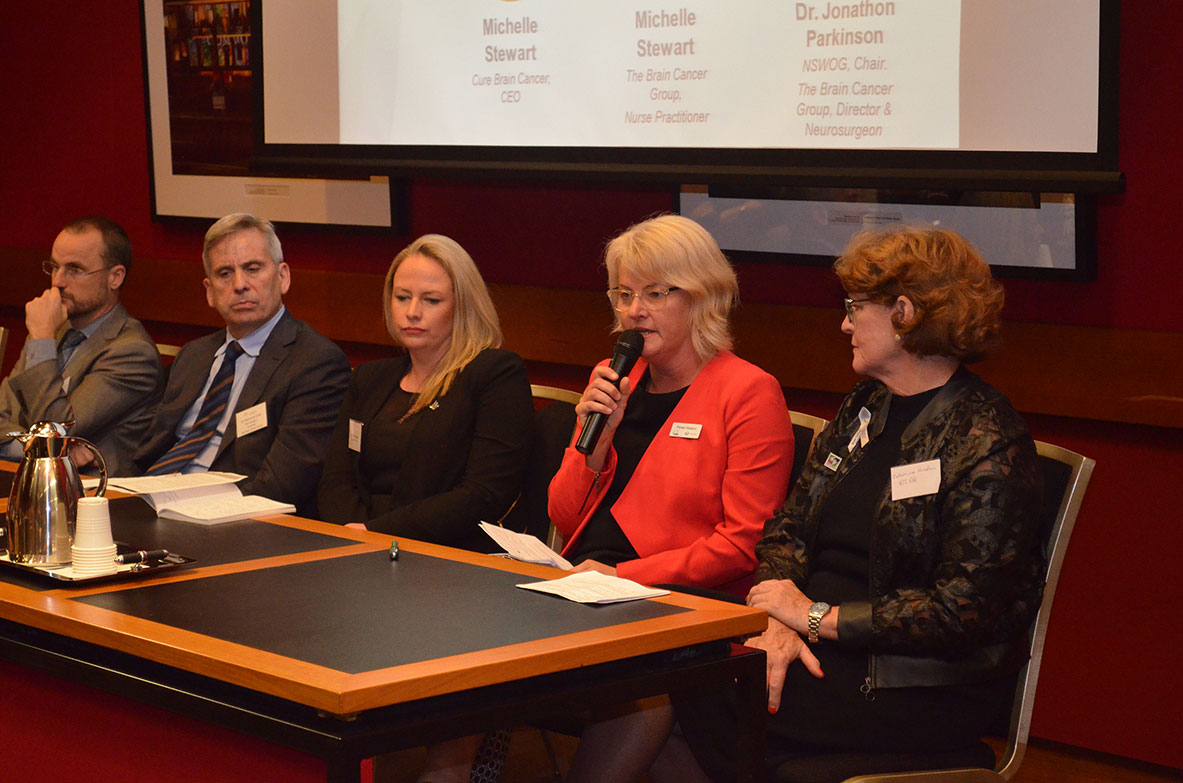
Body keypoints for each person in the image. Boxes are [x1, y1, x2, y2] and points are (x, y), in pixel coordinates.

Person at [656, 227, 1046, 783]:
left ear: (905, 312)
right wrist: (780, 623)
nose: (844, 323)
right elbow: (786, 530)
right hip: (821, 647)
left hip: (914, 681)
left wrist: (819, 620)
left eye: (855, 307)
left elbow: (964, 608)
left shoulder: (987, 438)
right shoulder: (865, 407)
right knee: (665, 624)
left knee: (686, 679)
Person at [318, 234, 532, 783]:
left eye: (431, 300)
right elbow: (337, 476)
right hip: (360, 563)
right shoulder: (371, 379)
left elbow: (482, 496)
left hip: (450, 570)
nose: (412, 311)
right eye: (402, 296)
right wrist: (353, 534)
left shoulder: (493, 374)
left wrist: (373, 532)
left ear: (463, 304)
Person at [548, 213, 794, 597]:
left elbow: (741, 547)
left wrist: (623, 576)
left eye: (654, 293)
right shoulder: (612, 376)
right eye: (624, 295)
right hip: (583, 584)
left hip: (678, 599)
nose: (634, 310)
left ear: (702, 296)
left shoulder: (749, 393)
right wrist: (595, 449)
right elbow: (563, 517)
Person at [134, 213, 350, 515]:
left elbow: (280, 485)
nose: (239, 284)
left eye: (252, 269)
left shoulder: (315, 363)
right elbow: (148, 451)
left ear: (283, 276)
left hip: (230, 518)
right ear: (209, 291)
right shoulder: (193, 355)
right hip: (153, 502)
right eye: (225, 273)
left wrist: (187, 508)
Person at [0, 217, 160, 475]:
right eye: (55, 267)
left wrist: (41, 337)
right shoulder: (52, 330)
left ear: (115, 277)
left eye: (74, 269)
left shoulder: (132, 352)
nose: (58, 281)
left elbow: (56, 430)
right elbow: (4, 415)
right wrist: (37, 449)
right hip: (28, 478)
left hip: (96, 499)